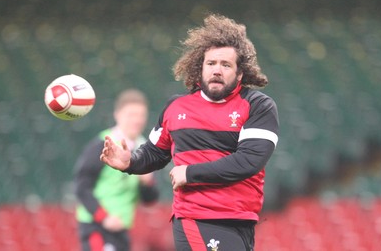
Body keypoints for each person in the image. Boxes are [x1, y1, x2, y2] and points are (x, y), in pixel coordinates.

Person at [100, 14, 279, 251]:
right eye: (211, 63)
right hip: (198, 217)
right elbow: (155, 152)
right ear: (199, 68)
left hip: (242, 220)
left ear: (240, 73)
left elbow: (249, 160)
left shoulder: (258, 106)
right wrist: (130, 162)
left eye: (226, 65)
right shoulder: (176, 107)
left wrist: (191, 173)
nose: (217, 70)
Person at [74, 89, 159, 251]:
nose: (137, 120)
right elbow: (81, 187)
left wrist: (147, 183)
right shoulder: (102, 145)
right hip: (97, 227)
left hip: (121, 229)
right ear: (117, 115)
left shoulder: (145, 150)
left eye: (141, 115)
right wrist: (103, 217)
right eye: (131, 115)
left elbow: (149, 200)